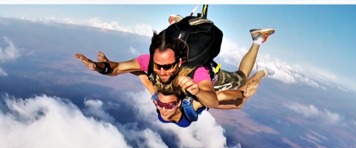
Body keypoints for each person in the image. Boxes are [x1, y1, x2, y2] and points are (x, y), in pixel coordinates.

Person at [74, 26, 274, 108]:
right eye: (158, 65)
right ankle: (179, 27)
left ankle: (257, 40)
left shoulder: (197, 72)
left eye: (167, 66)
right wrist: (99, 67)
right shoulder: (148, 62)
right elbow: (116, 68)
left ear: (178, 62)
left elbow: (212, 101)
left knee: (241, 79)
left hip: (213, 79)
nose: (161, 71)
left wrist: (197, 91)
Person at [151, 69, 268, 128]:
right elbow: (146, 81)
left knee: (240, 102)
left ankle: (261, 72)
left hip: (206, 92)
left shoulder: (192, 106)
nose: (163, 109)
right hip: (195, 90)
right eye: (160, 105)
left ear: (178, 103)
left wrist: (242, 94)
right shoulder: (159, 100)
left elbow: (221, 96)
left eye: (169, 105)